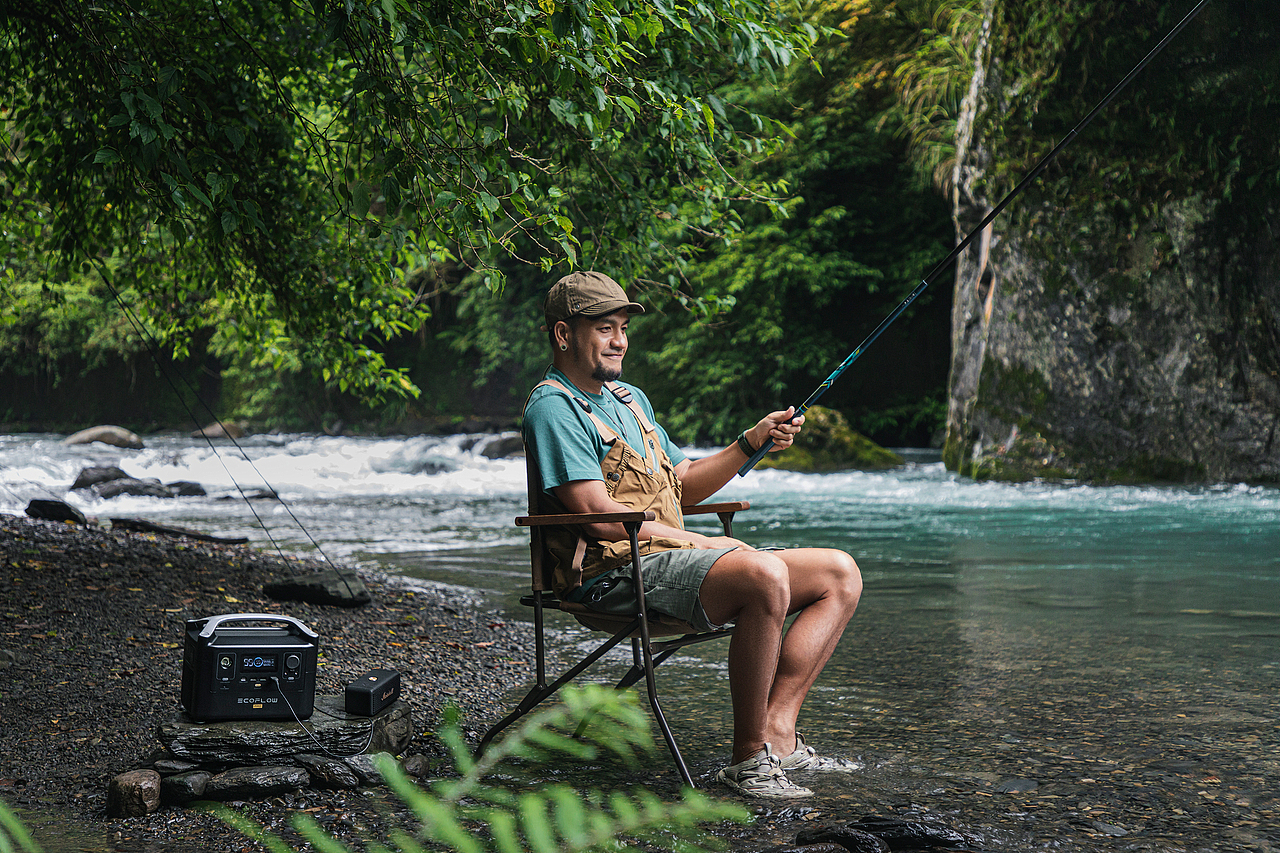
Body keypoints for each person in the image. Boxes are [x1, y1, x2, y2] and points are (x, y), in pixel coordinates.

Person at [522, 270, 863, 799]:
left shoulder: (630, 399)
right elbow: (599, 518)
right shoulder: (553, 408)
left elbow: (681, 485)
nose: (621, 341)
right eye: (605, 329)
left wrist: (751, 443)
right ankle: (749, 761)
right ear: (564, 335)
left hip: (666, 562)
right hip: (610, 575)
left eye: (622, 328)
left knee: (839, 574)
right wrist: (701, 542)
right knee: (764, 575)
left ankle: (779, 733)